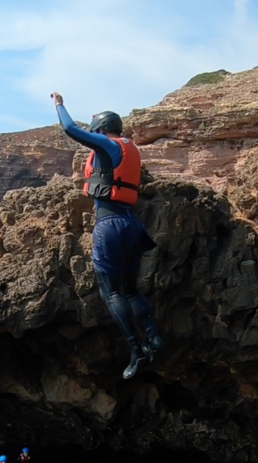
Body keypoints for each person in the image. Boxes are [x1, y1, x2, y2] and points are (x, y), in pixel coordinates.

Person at [51, 91, 165, 378]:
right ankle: (153, 337)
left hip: (110, 225)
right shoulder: (129, 147)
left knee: (111, 291)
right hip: (132, 225)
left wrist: (59, 104)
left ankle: (136, 348)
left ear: (101, 131)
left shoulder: (106, 145)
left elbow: (69, 129)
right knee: (131, 289)